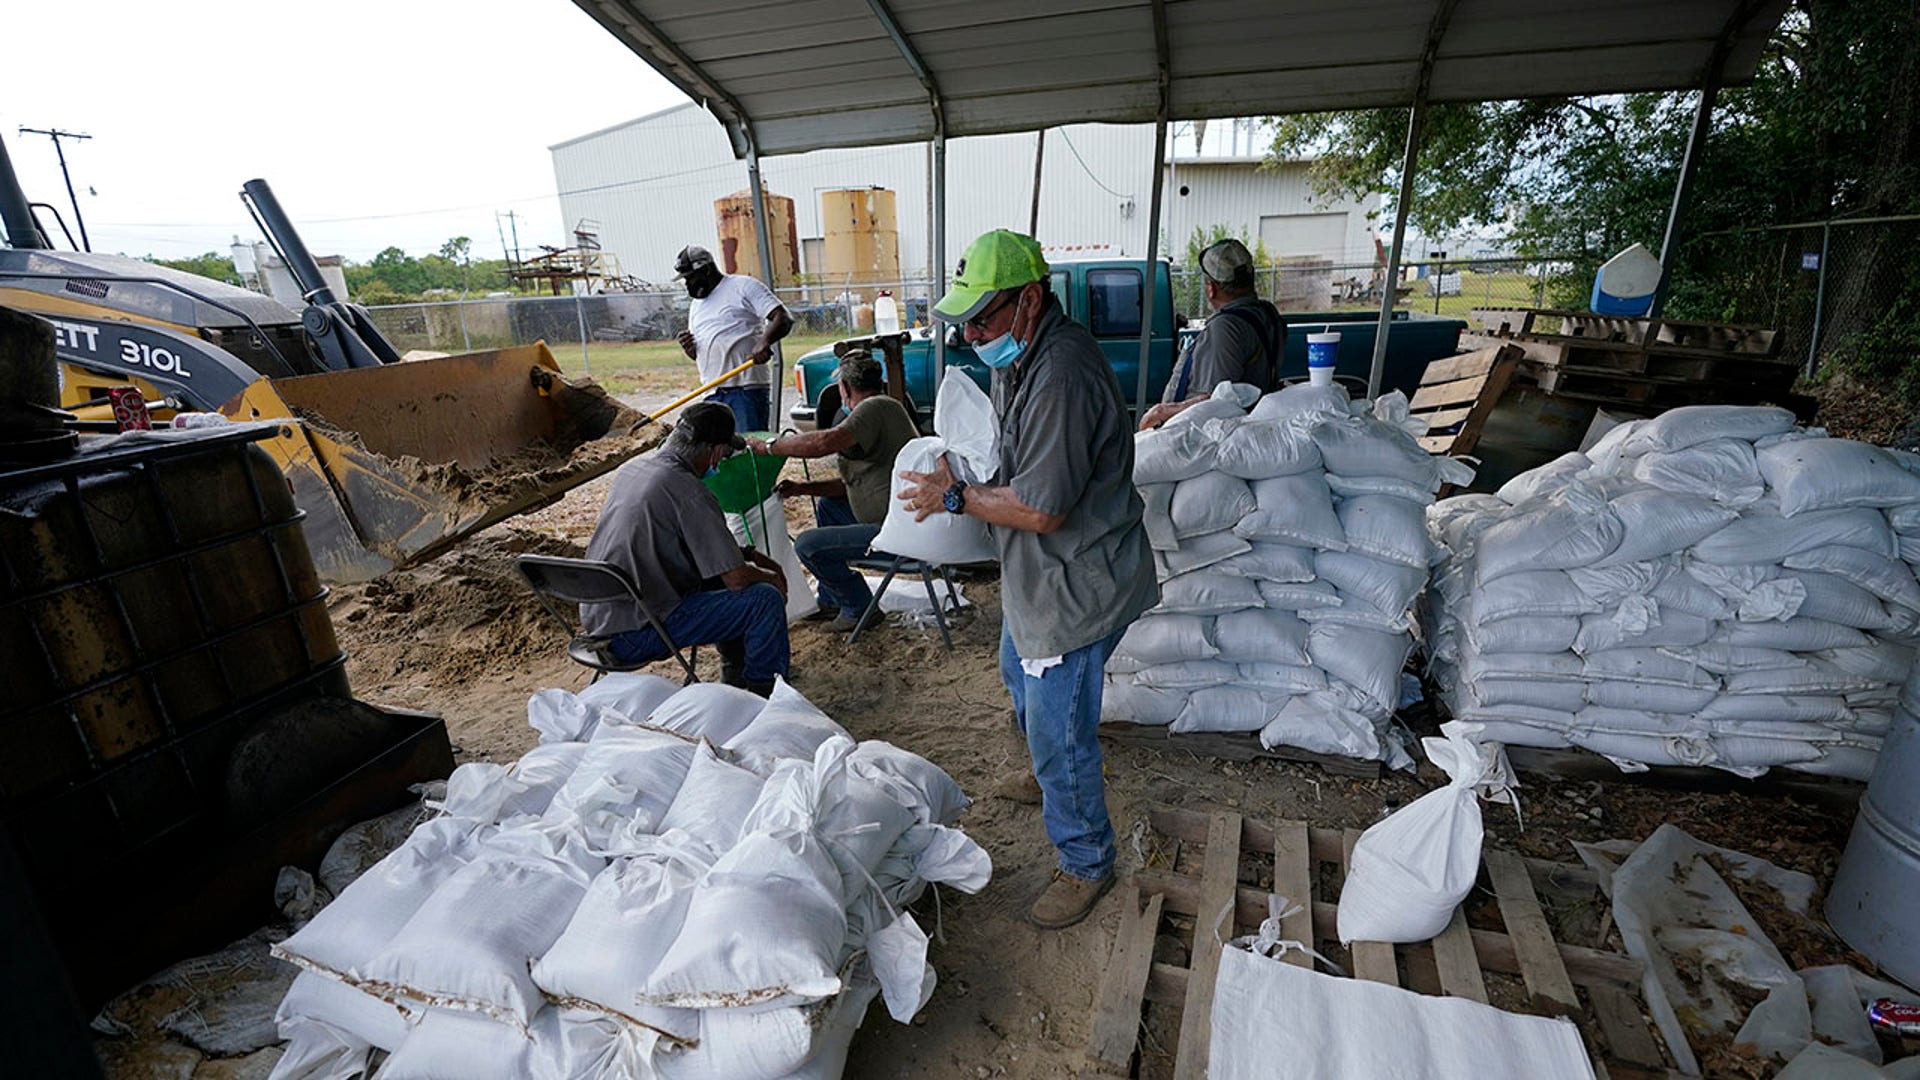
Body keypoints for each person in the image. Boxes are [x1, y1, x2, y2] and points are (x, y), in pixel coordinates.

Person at [899, 229, 1158, 929]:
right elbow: (1018, 464)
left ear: (1031, 300)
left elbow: (1041, 509)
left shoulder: (1062, 375)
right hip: (1040, 574)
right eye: (967, 321)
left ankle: (1085, 861)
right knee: (1018, 671)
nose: (974, 333)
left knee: (1060, 728)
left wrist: (954, 497)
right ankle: (1050, 779)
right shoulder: (1023, 354)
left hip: (1076, 577)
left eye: (984, 317)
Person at [580, 402, 791, 696]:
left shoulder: (635, 470)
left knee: (721, 581)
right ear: (716, 451)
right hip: (639, 632)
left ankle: (737, 674)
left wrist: (747, 553)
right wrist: (773, 577)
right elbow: (736, 578)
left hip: (600, 619)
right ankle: (763, 691)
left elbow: (689, 547)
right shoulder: (688, 489)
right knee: (763, 599)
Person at [746, 350, 919, 632]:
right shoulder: (886, 407)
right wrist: (804, 488)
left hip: (896, 533)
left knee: (807, 545)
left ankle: (859, 606)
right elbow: (854, 484)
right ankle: (832, 598)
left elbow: (824, 442)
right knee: (828, 505)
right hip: (895, 519)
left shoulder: (875, 407)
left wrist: (769, 447)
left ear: (845, 388)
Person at [1138, 238, 1286, 430]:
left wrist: (1162, 412)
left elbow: (1215, 403)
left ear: (1211, 288)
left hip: (1198, 437)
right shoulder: (1268, 314)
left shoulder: (1225, 328)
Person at [674, 244, 794, 435]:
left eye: (689, 277)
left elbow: (783, 318)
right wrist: (691, 350)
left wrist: (764, 342)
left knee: (747, 452)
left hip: (745, 390)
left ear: (706, 270)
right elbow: (700, 353)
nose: (687, 284)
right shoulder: (696, 306)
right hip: (712, 393)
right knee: (718, 456)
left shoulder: (743, 286)